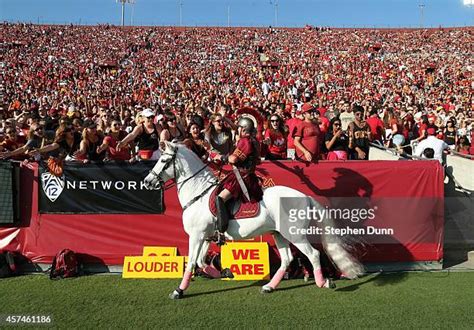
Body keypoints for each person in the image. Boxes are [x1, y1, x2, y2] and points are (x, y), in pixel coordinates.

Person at [212, 117, 263, 246]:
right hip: (248, 175)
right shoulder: (254, 140)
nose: (237, 130)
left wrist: (221, 157)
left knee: (220, 198)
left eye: (239, 128)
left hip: (241, 177)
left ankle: (221, 232)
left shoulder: (245, 141)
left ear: (244, 129)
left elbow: (234, 159)